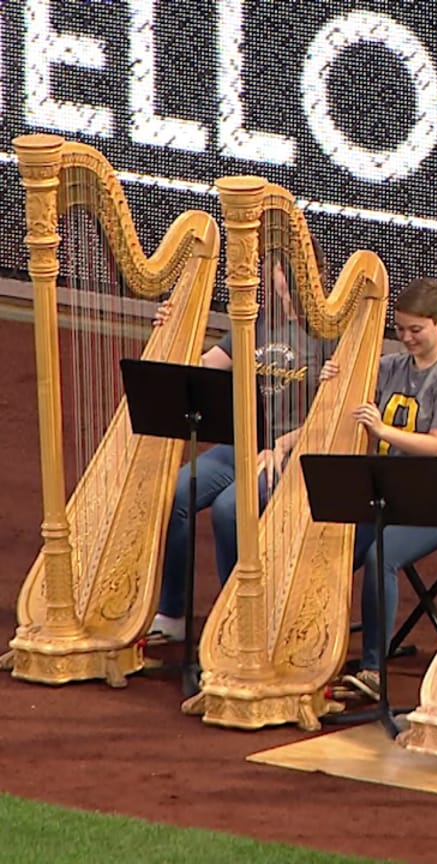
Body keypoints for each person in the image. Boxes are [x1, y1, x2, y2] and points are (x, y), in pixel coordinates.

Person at [147, 254, 336, 645]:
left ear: (317, 275)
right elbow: (199, 366)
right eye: (282, 270)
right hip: (244, 446)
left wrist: (281, 447)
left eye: (294, 270)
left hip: (293, 452)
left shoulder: (331, 332)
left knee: (230, 509)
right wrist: (171, 330)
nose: (285, 279)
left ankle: (239, 614)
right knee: (174, 494)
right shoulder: (256, 322)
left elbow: (333, 413)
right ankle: (172, 612)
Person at [337, 278, 437, 700]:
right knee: (337, 540)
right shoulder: (393, 366)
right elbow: (350, 371)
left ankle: (373, 669)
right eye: (400, 329)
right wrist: (335, 370)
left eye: (417, 329)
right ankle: (313, 642)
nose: (407, 338)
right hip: (393, 491)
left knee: (382, 554)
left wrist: (382, 430)